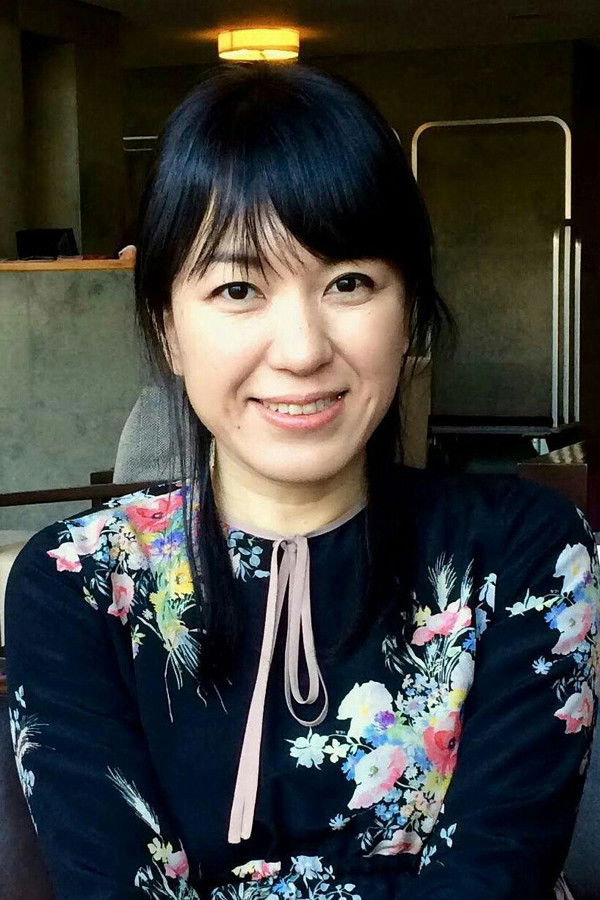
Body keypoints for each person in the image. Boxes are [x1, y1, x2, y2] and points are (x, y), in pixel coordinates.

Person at [5, 62, 599, 900]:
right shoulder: (78, 586)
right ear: (167, 327)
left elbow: (495, 874)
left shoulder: (525, 555)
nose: (302, 350)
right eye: (238, 287)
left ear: (408, 310)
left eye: (348, 282)